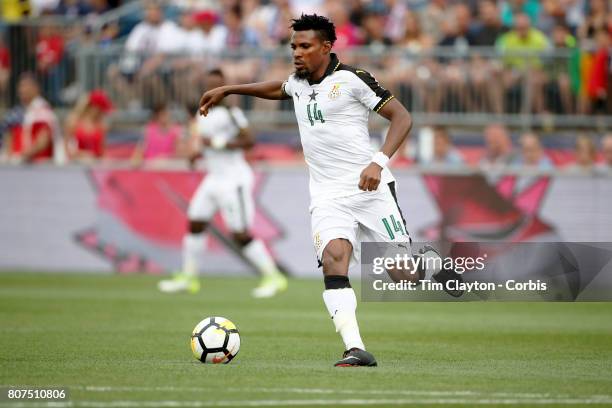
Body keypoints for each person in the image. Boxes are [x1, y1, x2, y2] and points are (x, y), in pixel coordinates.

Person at [198, 14, 456, 367]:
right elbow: (279, 88)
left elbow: (402, 117)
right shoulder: (299, 83)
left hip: (370, 189)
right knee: (335, 259)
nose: (297, 53)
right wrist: (229, 89)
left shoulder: (352, 80)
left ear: (326, 46)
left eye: (305, 46)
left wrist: (378, 162)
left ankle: (428, 264)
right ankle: (355, 348)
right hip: (326, 195)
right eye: (293, 47)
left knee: (402, 275)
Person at [158, 68, 288, 298]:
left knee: (239, 234)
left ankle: (273, 277)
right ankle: (189, 277)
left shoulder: (232, 113)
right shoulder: (202, 114)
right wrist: (198, 154)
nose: (213, 89)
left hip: (233, 179)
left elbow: (249, 140)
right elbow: (204, 143)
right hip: (214, 178)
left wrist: (217, 143)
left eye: (217, 85)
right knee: (196, 222)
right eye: (208, 84)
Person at [1, 73, 60, 164]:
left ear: (36, 88)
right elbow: (9, 135)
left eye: (26, 86)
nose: (22, 90)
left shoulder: (42, 110)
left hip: (38, 165)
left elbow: (43, 140)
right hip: (18, 164)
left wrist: (22, 156)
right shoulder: (17, 112)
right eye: (21, 86)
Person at [64, 89, 113, 162]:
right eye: (101, 109)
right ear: (94, 107)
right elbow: (66, 147)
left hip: (97, 165)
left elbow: (103, 150)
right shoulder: (74, 122)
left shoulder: (102, 125)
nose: (102, 112)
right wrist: (80, 155)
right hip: (78, 165)